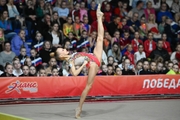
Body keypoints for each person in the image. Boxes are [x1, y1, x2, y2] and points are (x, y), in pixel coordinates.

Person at [50, 4, 104, 119]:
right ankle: (79, 108)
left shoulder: (71, 55)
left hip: (93, 56)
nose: (65, 49)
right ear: (61, 55)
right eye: (62, 50)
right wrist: (84, 64)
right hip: (92, 63)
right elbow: (74, 74)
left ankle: (99, 17)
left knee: (100, 38)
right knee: (88, 86)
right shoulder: (69, 61)